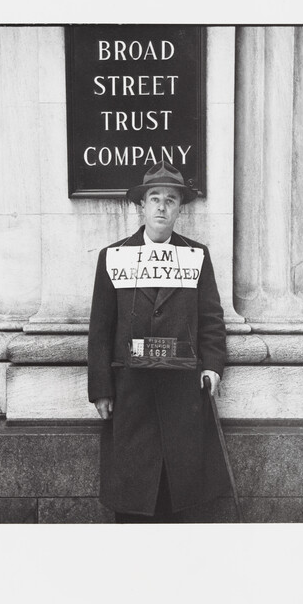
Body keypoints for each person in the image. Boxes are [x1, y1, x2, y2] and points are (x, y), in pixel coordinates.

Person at [88, 161, 232, 523]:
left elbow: (211, 319)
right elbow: (101, 327)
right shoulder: (114, 256)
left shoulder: (196, 256)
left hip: (181, 393)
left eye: (171, 200)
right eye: (155, 198)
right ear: (142, 205)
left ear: (179, 208)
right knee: (133, 488)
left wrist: (213, 366)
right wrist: (101, 388)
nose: (162, 207)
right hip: (130, 393)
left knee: (174, 488)